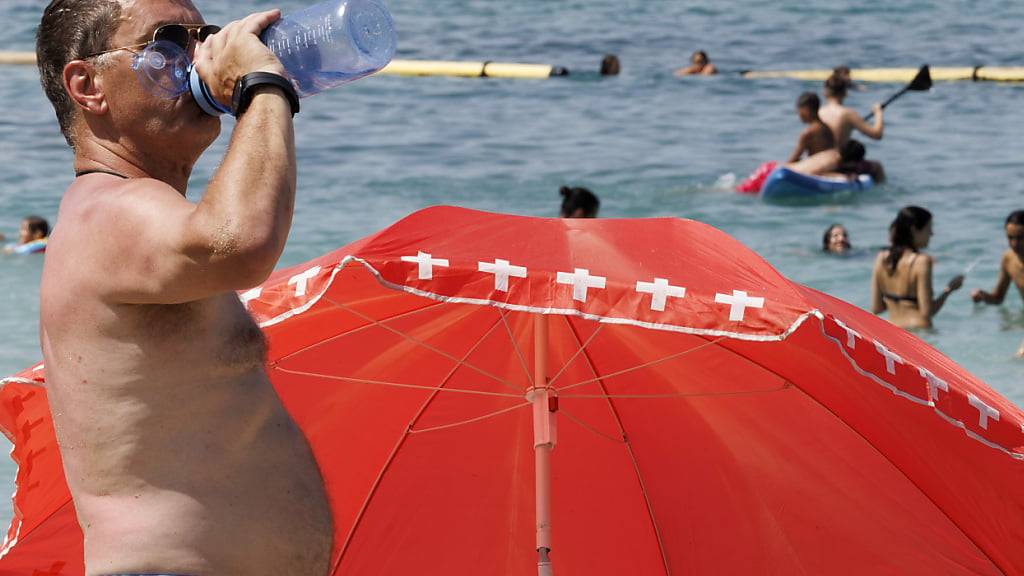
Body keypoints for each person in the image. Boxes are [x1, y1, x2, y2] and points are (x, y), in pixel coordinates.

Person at [35, 2, 331, 575]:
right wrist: (264, 85)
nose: (198, 58)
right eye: (168, 43)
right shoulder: (109, 210)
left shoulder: (147, 220)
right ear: (88, 85)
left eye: (206, 37)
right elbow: (241, 242)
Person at [871, 206, 963, 329]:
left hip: (893, 332)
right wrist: (949, 290)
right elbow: (926, 312)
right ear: (914, 229)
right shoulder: (922, 261)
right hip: (919, 333)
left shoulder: (881, 258)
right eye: (928, 228)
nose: (931, 234)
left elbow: (877, 308)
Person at [971, 210, 1024, 306]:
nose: (1014, 244)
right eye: (1010, 237)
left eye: (1020, 238)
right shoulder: (1008, 259)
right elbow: (998, 298)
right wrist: (983, 296)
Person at [819, 73, 883, 148]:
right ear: (845, 93)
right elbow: (877, 134)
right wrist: (878, 113)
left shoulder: (818, 112)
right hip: (837, 157)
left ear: (825, 93)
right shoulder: (848, 114)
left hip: (817, 158)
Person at [787, 139, 884, 183]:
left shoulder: (832, 153)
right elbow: (810, 174)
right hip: (793, 174)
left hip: (791, 167)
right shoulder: (832, 162)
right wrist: (841, 176)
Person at [786, 92, 835, 163]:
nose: (799, 114)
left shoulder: (808, 133)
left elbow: (792, 160)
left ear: (806, 109)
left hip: (816, 168)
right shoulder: (827, 128)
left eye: (799, 110)